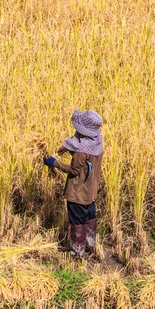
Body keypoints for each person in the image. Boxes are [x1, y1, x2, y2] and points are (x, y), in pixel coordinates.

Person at [44, 110, 104, 260]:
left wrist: (54, 163)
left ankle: (76, 254)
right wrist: (70, 148)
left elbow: (74, 170)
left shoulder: (81, 151)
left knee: (77, 221)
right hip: (90, 192)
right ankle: (90, 246)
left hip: (78, 193)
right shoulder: (97, 141)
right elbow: (85, 159)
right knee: (89, 217)